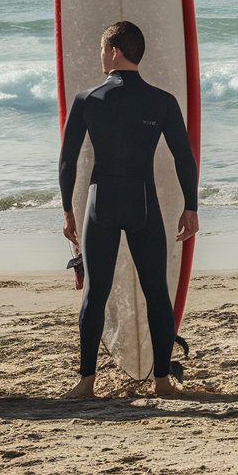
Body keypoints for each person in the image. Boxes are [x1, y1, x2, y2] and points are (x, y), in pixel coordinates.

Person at [59, 21, 199, 399]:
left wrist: (68, 211)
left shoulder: (87, 99)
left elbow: (67, 162)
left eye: (103, 49)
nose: (101, 56)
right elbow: (183, 157)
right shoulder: (162, 101)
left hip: (101, 202)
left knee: (95, 293)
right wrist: (191, 207)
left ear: (115, 52)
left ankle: (86, 383)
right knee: (156, 292)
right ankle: (163, 381)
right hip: (143, 203)